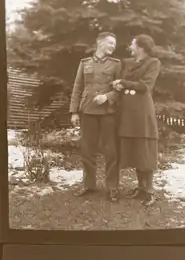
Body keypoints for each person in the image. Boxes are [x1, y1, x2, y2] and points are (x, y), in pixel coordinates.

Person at [69, 32, 121, 202]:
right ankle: (89, 185)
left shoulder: (116, 64)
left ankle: (112, 187)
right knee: (87, 150)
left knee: (111, 151)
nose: (113, 46)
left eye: (114, 44)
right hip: (88, 111)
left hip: (108, 112)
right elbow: (77, 88)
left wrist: (107, 97)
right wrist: (74, 111)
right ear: (99, 43)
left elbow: (121, 89)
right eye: (110, 43)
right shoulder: (84, 63)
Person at [112, 34, 161, 207]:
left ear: (141, 47)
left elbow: (145, 85)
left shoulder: (153, 63)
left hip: (142, 112)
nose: (130, 47)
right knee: (134, 150)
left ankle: (149, 190)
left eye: (132, 44)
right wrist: (118, 85)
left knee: (145, 149)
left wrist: (123, 82)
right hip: (127, 112)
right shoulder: (128, 63)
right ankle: (140, 188)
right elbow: (125, 82)